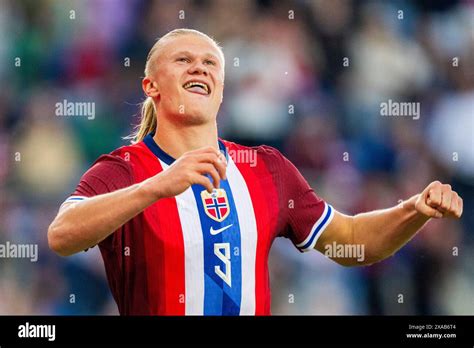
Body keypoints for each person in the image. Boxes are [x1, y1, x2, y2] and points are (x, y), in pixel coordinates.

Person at [47, 29, 463, 315]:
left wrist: (415, 210)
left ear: (221, 89)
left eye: (211, 63)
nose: (200, 68)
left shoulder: (267, 169)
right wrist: (156, 187)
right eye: (183, 60)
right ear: (151, 86)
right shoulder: (125, 169)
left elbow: (352, 243)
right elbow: (62, 235)